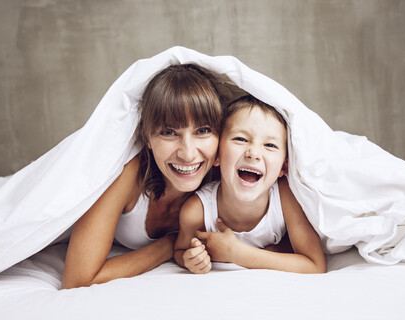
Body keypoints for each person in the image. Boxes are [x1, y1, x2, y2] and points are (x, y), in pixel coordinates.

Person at [62, 64, 223, 288]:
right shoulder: (127, 174)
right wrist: (169, 246)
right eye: (169, 132)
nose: (187, 153)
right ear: (147, 137)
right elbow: (78, 279)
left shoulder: (226, 179)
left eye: (203, 131)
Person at [174, 95, 326, 274]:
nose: (253, 153)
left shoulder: (286, 195)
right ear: (217, 155)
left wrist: (236, 253)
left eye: (270, 145)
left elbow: (315, 265)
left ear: (283, 167)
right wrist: (190, 260)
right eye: (240, 139)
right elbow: (179, 251)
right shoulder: (196, 211)